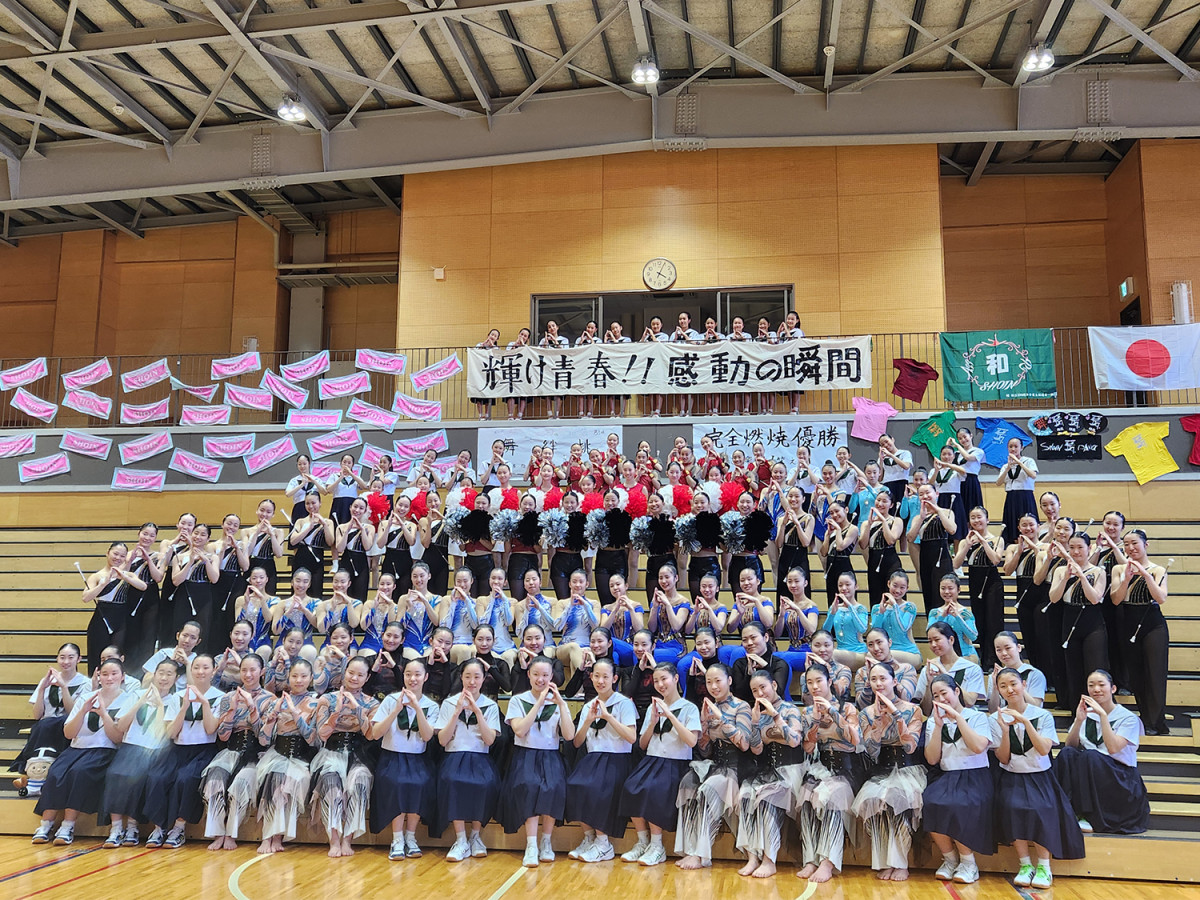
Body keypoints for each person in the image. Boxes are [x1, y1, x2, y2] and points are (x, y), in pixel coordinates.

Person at [991, 667, 1086, 888]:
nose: (1009, 689)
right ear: (998, 690)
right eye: (1003, 686)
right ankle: (1025, 864)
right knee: (1012, 809)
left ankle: (1044, 866)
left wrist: (1025, 722)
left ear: (1023, 685)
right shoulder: (995, 718)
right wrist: (1005, 731)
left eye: (1013, 684)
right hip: (1012, 776)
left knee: (1042, 811)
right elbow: (1003, 758)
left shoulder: (1042, 715)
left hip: (1040, 777)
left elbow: (1044, 750)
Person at [31, 657, 129, 845]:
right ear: (98, 676)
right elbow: (68, 733)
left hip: (104, 751)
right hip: (76, 749)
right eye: (104, 674)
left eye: (114, 674)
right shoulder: (85, 697)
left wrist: (104, 714)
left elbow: (117, 738)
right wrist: (83, 711)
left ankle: (68, 826)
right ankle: (46, 824)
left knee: (79, 773)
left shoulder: (128, 699)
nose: (109, 678)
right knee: (55, 773)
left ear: (122, 676)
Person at [619, 663, 700, 866]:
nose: (660, 684)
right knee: (630, 787)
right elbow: (643, 744)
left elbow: (692, 741)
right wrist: (653, 722)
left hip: (676, 762)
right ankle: (643, 841)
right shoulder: (652, 707)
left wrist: (670, 715)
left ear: (675, 679)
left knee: (654, 790)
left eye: (664, 679)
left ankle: (657, 846)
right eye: (656, 681)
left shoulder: (689, 708)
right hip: (652, 760)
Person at [851, 661, 925, 881]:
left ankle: (901, 864)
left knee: (897, 797)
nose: (878, 683)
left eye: (883, 678)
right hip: (881, 769)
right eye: (873, 679)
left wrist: (896, 716)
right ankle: (885, 861)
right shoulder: (866, 713)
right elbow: (871, 752)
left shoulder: (912, 709)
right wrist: (878, 725)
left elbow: (910, 746)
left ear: (894, 681)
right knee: (873, 800)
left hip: (908, 769)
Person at [675, 663, 752, 869]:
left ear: (730, 680)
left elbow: (744, 744)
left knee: (708, 789)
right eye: (709, 682)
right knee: (687, 783)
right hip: (714, 764)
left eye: (718, 681)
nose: (714, 686)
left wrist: (721, 718)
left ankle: (702, 854)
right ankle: (689, 850)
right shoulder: (707, 707)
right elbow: (705, 751)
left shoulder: (741, 706)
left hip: (736, 767)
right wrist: (704, 725)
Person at [1055, 668, 1150, 834]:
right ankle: (1067, 812)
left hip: (1121, 777)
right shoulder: (1087, 714)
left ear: (1113, 689)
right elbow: (1070, 745)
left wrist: (1103, 716)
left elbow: (1113, 748)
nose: (1096, 689)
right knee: (1067, 754)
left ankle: (1088, 816)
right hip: (1093, 771)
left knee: (1091, 756)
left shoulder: (1128, 718)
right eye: (1091, 685)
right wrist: (1079, 721)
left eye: (1101, 685)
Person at [142, 654, 224, 849]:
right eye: (196, 667)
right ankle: (159, 827)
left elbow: (211, 729)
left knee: (186, 779)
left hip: (204, 750)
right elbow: (171, 733)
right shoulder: (177, 697)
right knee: (157, 777)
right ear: (191, 670)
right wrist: (184, 707)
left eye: (206, 667)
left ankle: (179, 828)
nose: (200, 672)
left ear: (213, 671)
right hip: (177, 749)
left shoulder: (220, 697)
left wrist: (204, 703)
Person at [923, 674, 996, 884]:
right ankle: (950, 859)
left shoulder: (977, 717)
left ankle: (968, 862)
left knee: (960, 805)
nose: (940, 699)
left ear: (956, 691)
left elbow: (978, 747)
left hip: (975, 776)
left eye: (944, 693)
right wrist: (938, 726)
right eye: (935, 695)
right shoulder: (933, 721)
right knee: (930, 802)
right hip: (947, 776)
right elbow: (932, 758)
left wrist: (958, 718)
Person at [502, 659, 575, 866]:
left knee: (554, 788)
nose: (540, 679)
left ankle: (546, 841)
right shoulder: (518, 700)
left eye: (545, 675)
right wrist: (539, 703)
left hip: (550, 755)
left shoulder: (558, 702)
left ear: (551, 677)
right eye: (536, 674)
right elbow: (519, 730)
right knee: (529, 786)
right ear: (529, 675)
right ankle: (531, 845)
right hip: (525, 755)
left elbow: (569, 735)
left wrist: (562, 705)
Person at [565, 658, 638, 862]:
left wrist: (608, 717)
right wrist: (587, 721)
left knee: (598, 788)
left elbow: (632, 738)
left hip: (617, 758)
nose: (600, 681)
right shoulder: (589, 705)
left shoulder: (624, 703)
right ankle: (590, 838)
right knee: (574, 785)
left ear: (614, 678)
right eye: (596, 676)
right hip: (593, 758)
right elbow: (577, 742)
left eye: (605, 676)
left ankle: (603, 843)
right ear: (591, 677)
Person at [369, 658, 441, 860]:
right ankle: (397, 839)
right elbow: (376, 733)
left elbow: (427, 736)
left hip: (418, 760)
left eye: (417, 674)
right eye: (408, 674)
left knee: (420, 784)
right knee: (396, 784)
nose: (412, 679)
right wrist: (396, 711)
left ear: (425, 677)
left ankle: (411, 836)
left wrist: (417, 708)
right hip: (392, 758)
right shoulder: (391, 700)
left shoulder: (431, 706)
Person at [100, 659, 176, 847]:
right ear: (154, 675)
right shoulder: (135, 695)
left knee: (141, 777)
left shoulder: (175, 700)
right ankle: (116, 828)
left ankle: (133, 827)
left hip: (157, 751)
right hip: (131, 746)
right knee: (115, 774)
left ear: (175, 678)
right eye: (161, 673)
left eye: (169, 674)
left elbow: (162, 734)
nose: (164, 678)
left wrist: (159, 704)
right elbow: (121, 726)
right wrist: (141, 701)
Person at [795, 661, 861, 883]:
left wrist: (832, 711)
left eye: (818, 681)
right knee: (805, 796)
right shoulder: (807, 713)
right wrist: (814, 720)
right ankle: (810, 860)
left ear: (829, 681)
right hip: (821, 767)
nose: (814, 687)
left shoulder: (847, 708)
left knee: (833, 798)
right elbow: (807, 748)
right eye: (809, 682)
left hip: (847, 769)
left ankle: (827, 862)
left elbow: (855, 740)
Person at [201, 653, 273, 850]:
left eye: (253, 670)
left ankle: (231, 833)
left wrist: (251, 707)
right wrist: (231, 711)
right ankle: (218, 833)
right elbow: (223, 736)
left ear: (262, 672)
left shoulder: (270, 699)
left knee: (240, 783)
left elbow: (263, 738)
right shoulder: (228, 698)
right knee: (214, 779)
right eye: (244, 670)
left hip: (256, 753)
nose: (248, 675)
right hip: (231, 750)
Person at [736, 671, 804, 878]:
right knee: (745, 795)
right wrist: (755, 724)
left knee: (767, 798)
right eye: (754, 690)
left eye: (763, 687)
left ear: (774, 685)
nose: (759, 693)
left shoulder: (790, 709)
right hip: (768, 770)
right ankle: (752, 857)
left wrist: (776, 716)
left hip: (791, 770)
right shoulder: (757, 713)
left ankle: (769, 860)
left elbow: (794, 741)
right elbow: (756, 750)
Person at [310, 657, 380, 858]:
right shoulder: (327, 699)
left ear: (367, 678)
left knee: (360, 781)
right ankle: (333, 839)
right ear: (344, 672)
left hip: (360, 753)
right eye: (351, 673)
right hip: (332, 751)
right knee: (330, 780)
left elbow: (370, 735)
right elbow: (322, 735)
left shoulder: (372, 703)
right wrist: (337, 712)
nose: (354, 678)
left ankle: (347, 839)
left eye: (360, 675)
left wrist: (358, 709)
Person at [437, 659, 501, 861]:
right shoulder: (449, 703)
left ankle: (475, 836)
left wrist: (478, 712)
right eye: (467, 677)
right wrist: (457, 711)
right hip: (454, 756)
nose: (472, 682)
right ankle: (461, 840)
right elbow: (442, 740)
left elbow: (489, 740)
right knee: (452, 781)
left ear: (484, 679)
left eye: (477, 677)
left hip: (480, 757)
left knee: (485, 784)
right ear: (461, 678)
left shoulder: (490, 705)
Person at [255, 659, 320, 854]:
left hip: (302, 756)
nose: (299, 680)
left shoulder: (316, 703)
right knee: (274, 776)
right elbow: (263, 740)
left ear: (311, 678)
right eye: (294, 676)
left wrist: (294, 713)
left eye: (303, 676)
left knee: (290, 782)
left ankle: (278, 835)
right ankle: (267, 836)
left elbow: (312, 739)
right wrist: (271, 720)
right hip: (278, 753)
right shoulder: (276, 702)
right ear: (288, 678)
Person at [1111, 530, 1170, 734]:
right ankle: (1145, 718)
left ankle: (1155, 721)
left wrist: (1146, 575)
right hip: (1128, 621)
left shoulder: (1158, 569)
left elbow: (1161, 598)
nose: (1130, 548)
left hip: (1153, 623)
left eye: (1135, 543)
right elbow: (1116, 600)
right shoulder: (1119, 569)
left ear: (1146, 545)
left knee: (1155, 673)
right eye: (1126, 544)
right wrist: (1126, 579)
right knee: (1136, 674)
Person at [1049, 533, 1108, 709]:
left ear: (1089, 548)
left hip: (1092, 623)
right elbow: (1053, 598)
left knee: (1095, 668)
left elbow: (1095, 599)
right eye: (1072, 547)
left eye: (1080, 547)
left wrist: (1081, 576)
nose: (1075, 552)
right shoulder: (1060, 571)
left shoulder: (1098, 571)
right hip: (1069, 619)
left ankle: (1098, 711)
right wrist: (1066, 578)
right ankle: (1077, 712)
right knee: (1073, 669)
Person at [12, 642, 89, 776]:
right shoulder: (47, 680)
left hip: (66, 728)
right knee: (42, 724)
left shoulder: (86, 683)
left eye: (71, 657)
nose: (66, 661)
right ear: (57, 658)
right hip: (44, 727)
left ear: (79, 659)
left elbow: (73, 713)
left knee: (57, 722)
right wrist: (42, 689)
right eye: (62, 657)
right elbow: (37, 715)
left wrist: (63, 687)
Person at [954, 506, 1005, 667]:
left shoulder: (997, 540)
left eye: (979, 517)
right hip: (975, 582)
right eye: (973, 517)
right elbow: (956, 564)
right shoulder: (965, 541)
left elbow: (996, 560)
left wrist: (983, 541)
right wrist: (967, 545)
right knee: (980, 622)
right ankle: (984, 659)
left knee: (993, 623)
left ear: (987, 520)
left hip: (992, 583)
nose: (976, 520)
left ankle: (994, 660)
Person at [1004, 513, 1044, 673]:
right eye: (1024, 525)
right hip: (1022, 597)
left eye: (1031, 525)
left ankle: (1047, 674)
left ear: (1038, 527)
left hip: (1041, 596)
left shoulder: (1045, 547)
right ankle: (1034, 671)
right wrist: (1019, 552)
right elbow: (1007, 571)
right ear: (1019, 528)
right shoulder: (1012, 548)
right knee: (1028, 637)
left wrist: (1034, 548)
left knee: (1042, 638)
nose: (1028, 528)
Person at [915, 621, 985, 712]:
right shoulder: (928, 669)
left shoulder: (972, 668)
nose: (933, 645)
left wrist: (946, 675)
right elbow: (926, 711)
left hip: (964, 718)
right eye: (930, 641)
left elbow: (969, 702)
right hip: (938, 718)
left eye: (937, 640)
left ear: (951, 640)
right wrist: (929, 684)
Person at [171, 524, 220, 652]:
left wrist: (206, 561)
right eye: (196, 533)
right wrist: (190, 562)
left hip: (204, 596)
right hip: (184, 595)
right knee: (181, 627)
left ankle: (198, 659)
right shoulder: (179, 556)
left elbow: (214, 579)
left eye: (203, 535)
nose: (198, 537)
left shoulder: (213, 557)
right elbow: (176, 581)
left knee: (203, 629)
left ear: (208, 539)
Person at [907, 484, 955, 613]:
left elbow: (952, 529)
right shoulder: (917, 517)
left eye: (928, 493)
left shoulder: (946, 512)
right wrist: (921, 518)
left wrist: (938, 510)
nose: (925, 496)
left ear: (936, 494)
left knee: (943, 594)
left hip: (942, 557)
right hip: (925, 558)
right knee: (928, 594)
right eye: (921, 494)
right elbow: (910, 538)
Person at [773, 567, 819, 681]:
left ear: (805, 583)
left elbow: (812, 630)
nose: (793, 585)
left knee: (782, 659)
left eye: (797, 581)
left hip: (807, 652)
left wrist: (797, 610)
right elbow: (777, 634)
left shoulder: (811, 606)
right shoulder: (788, 605)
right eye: (790, 581)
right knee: (775, 658)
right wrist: (781, 615)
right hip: (791, 649)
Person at [854, 628, 918, 707]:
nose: (876, 648)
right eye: (870, 645)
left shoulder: (906, 669)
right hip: (873, 713)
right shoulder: (862, 672)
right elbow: (861, 706)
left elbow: (906, 698)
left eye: (879, 642)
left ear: (889, 642)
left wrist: (885, 672)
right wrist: (868, 681)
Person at [859, 490, 903, 604]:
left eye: (884, 501)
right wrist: (869, 524)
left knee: (893, 597)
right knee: (875, 597)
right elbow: (863, 544)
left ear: (891, 505)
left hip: (891, 561)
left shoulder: (896, 520)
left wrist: (883, 521)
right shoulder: (866, 523)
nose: (880, 504)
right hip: (874, 561)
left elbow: (891, 540)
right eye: (878, 500)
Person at [555, 569, 602, 676]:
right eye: (574, 582)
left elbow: (595, 625)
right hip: (565, 647)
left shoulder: (594, 604)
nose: (577, 585)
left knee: (577, 660)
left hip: (586, 646)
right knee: (574, 647)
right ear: (569, 584)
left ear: (587, 584)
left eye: (581, 582)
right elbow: (557, 627)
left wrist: (585, 605)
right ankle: (594, 675)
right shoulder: (562, 603)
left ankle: (577, 687)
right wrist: (570, 606)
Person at [870, 571, 921, 667]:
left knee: (883, 656)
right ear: (888, 583)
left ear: (907, 588)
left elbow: (903, 628)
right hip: (884, 651)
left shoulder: (910, 607)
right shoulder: (877, 608)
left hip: (907, 652)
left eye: (902, 587)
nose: (897, 591)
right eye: (895, 586)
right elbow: (875, 632)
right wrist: (881, 613)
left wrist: (895, 606)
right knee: (871, 655)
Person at [288, 493, 334, 598]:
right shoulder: (300, 521)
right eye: (307, 503)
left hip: (317, 560)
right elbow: (293, 541)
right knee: (298, 592)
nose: (310, 506)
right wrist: (309, 527)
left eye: (313, 503)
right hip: (301, 558)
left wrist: (324, 525)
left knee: (316, 592)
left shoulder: (328, 522)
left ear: (320, 503)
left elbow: (330, 542)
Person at [987, 631, 1047, 711]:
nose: (1004, 653)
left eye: (1008, 648)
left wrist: (1018, 684)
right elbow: (992, 711)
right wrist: (995, 686)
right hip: (1003, 717)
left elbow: (1036, 708)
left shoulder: (1034, 674)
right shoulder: (995, 676)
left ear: (1018, 647)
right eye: (999, 650)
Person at [731, 621, 790, 703]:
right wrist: (749, 675)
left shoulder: (779, 664)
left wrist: (766, 667)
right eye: (744, 640)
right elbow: (738, 696)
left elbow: (778, 694)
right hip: (747, 709)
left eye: (753, 638)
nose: (749, 643)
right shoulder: (739, 664)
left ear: (766, 637)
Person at [928, 575, 980, 662]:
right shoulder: (934, 613)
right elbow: (930, 634)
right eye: (943, 588)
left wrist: (958, 617)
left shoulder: (965, 613)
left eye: (950, 588)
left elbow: (973, 636)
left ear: (958, 590)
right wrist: (942, 616)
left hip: (966, 655)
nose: (946, 592)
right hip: (944, 656)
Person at [997, 438, 1039, 543]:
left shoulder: (1028, 461)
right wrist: (1008, 468)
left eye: (1016, 446)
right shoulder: (1005, 465)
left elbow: (1033, 475)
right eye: (1010, 446)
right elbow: (998, 483)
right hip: (1011, 497)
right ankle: (1013, 544)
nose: (1013, 449)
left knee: (1027, 521)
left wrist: (1019, 463)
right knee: (1011, 523)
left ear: (1022, 448)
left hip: (1025, 496)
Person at [824, 572, 868, 670]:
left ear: (856, 586)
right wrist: (832, 613)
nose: (844, 588)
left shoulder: (860, 609)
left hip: (858, 651)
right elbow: (825, 632)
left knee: (830, 654)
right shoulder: (835, 607)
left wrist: (850, 607)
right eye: (840, 585)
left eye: (848, 585)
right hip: (840, 650)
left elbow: (862, 629)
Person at [333, 498, 374, 602]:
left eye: (361, 508)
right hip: (346, 561)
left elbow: (367, 547)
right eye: (355, 507)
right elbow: (340, 548)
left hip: (362, 563)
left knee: (360, 597)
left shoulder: (369, 528)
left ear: (365, 511)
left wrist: (362, 529)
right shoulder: (341, 527)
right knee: (344, 596)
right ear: (350, 507)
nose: (357, 510)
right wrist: (347, 530)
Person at [819, 501, 858, 607]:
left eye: (837, 511)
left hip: (844, 566)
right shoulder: (831, 530)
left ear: (846, 510)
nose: (834, 515)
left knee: (847, 601)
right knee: (832, 602)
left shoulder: (852, 529)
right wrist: (828, 535)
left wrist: (838, 529)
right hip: (831, 567)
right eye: (831, 513)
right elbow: (823, 552)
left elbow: (840, 547)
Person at [270, 568, 319, 647]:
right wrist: (289, 612)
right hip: (284, 643)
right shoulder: (282, 604)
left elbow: (318, 626)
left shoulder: (316, 603)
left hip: (306, 643)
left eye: (305, 582)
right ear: (292, 582)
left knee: (309, 651)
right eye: (298, 581)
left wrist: (304, 610)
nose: (301, 585)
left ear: (309, 584)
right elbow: (275, 631)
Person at [947, 428, 985, 513]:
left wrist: (957, 446)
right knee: (959, 508)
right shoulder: (957, 453)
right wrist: (948, 446)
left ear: (971, 435)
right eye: (960, 438)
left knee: (972, 507)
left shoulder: (978, 451)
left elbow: (968, 457)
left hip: (971, 481)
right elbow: (947, 461)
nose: (963, 440)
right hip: (958, 481)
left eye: (965, 437)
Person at [284, 455, 326, 524]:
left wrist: (314, 481)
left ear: (309, 464)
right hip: (299, 508)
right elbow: (288, 494)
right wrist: (302, 484)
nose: (302, 466)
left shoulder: (316, 479)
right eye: (300, 464)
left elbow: (324, 492)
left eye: (304, 464)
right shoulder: (294, 480)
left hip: (312, 508)